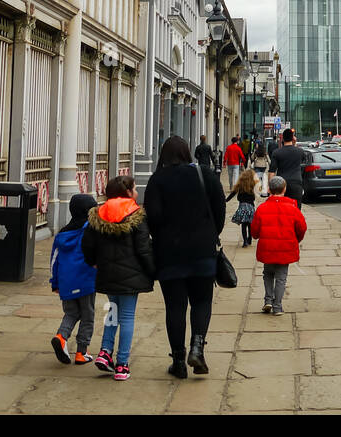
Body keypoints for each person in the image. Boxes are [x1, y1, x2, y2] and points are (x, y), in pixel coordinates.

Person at [144, 135, 226, 378]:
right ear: (187, 152)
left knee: (175, 306)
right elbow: (219, 211)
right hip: (202, 251)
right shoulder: (205, 174)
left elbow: (153, 219)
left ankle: (178, 361)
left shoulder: (157, 180)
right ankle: (198, 349)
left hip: (169, 253)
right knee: (202, 302)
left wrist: (164, 236)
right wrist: (210, 234)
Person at [81, 176, 154, 381]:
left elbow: (87, 244)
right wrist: (152, 270)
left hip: (107, 273)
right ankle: (122, 363)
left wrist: (93, 261)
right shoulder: (136, 214)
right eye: (135, 189)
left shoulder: (98, 214)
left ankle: (105, 352)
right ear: (128, 192)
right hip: (132, 276)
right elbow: (143, 249)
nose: (137, 193)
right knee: (127, 316)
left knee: (112, 311)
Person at [49, 193, 98, 365]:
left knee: (71, 312)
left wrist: (55, 283)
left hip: (66, 282)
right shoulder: (91, 230)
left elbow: (54, 260)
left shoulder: (62, 233)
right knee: (87, 316)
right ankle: (81, 352)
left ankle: (61, 337)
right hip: (86, 281)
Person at [251, 176, 306, 314]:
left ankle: (268, 300)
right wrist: (295, 240)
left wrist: (258, 236)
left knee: (268, 274)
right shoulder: (293, 208)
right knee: (281, 278)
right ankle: (277, 306)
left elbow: (254, 232)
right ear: (285, 189)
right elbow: (302, 228)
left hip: (267, 248)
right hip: (285, 248)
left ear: (269, 189)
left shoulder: (262, 208)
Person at [268, 127, 307, 205]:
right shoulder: (300, 151)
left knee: (281, 208)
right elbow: (302, 160)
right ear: (293, 138)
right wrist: (295, 143)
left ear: (282, 139)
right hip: (296, 183)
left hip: (281, 185)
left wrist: (271, 188)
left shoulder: (276, 153)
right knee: (296, 209)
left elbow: (272, 172)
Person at [225, 169, 258, 246]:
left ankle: (245, 241)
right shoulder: (253, 184)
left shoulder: (240, 184)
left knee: (243, 225)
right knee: (250, 224)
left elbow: (233, 193)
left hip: (242, 206)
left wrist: (226, 200)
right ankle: (250, 238)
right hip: (250, 207)